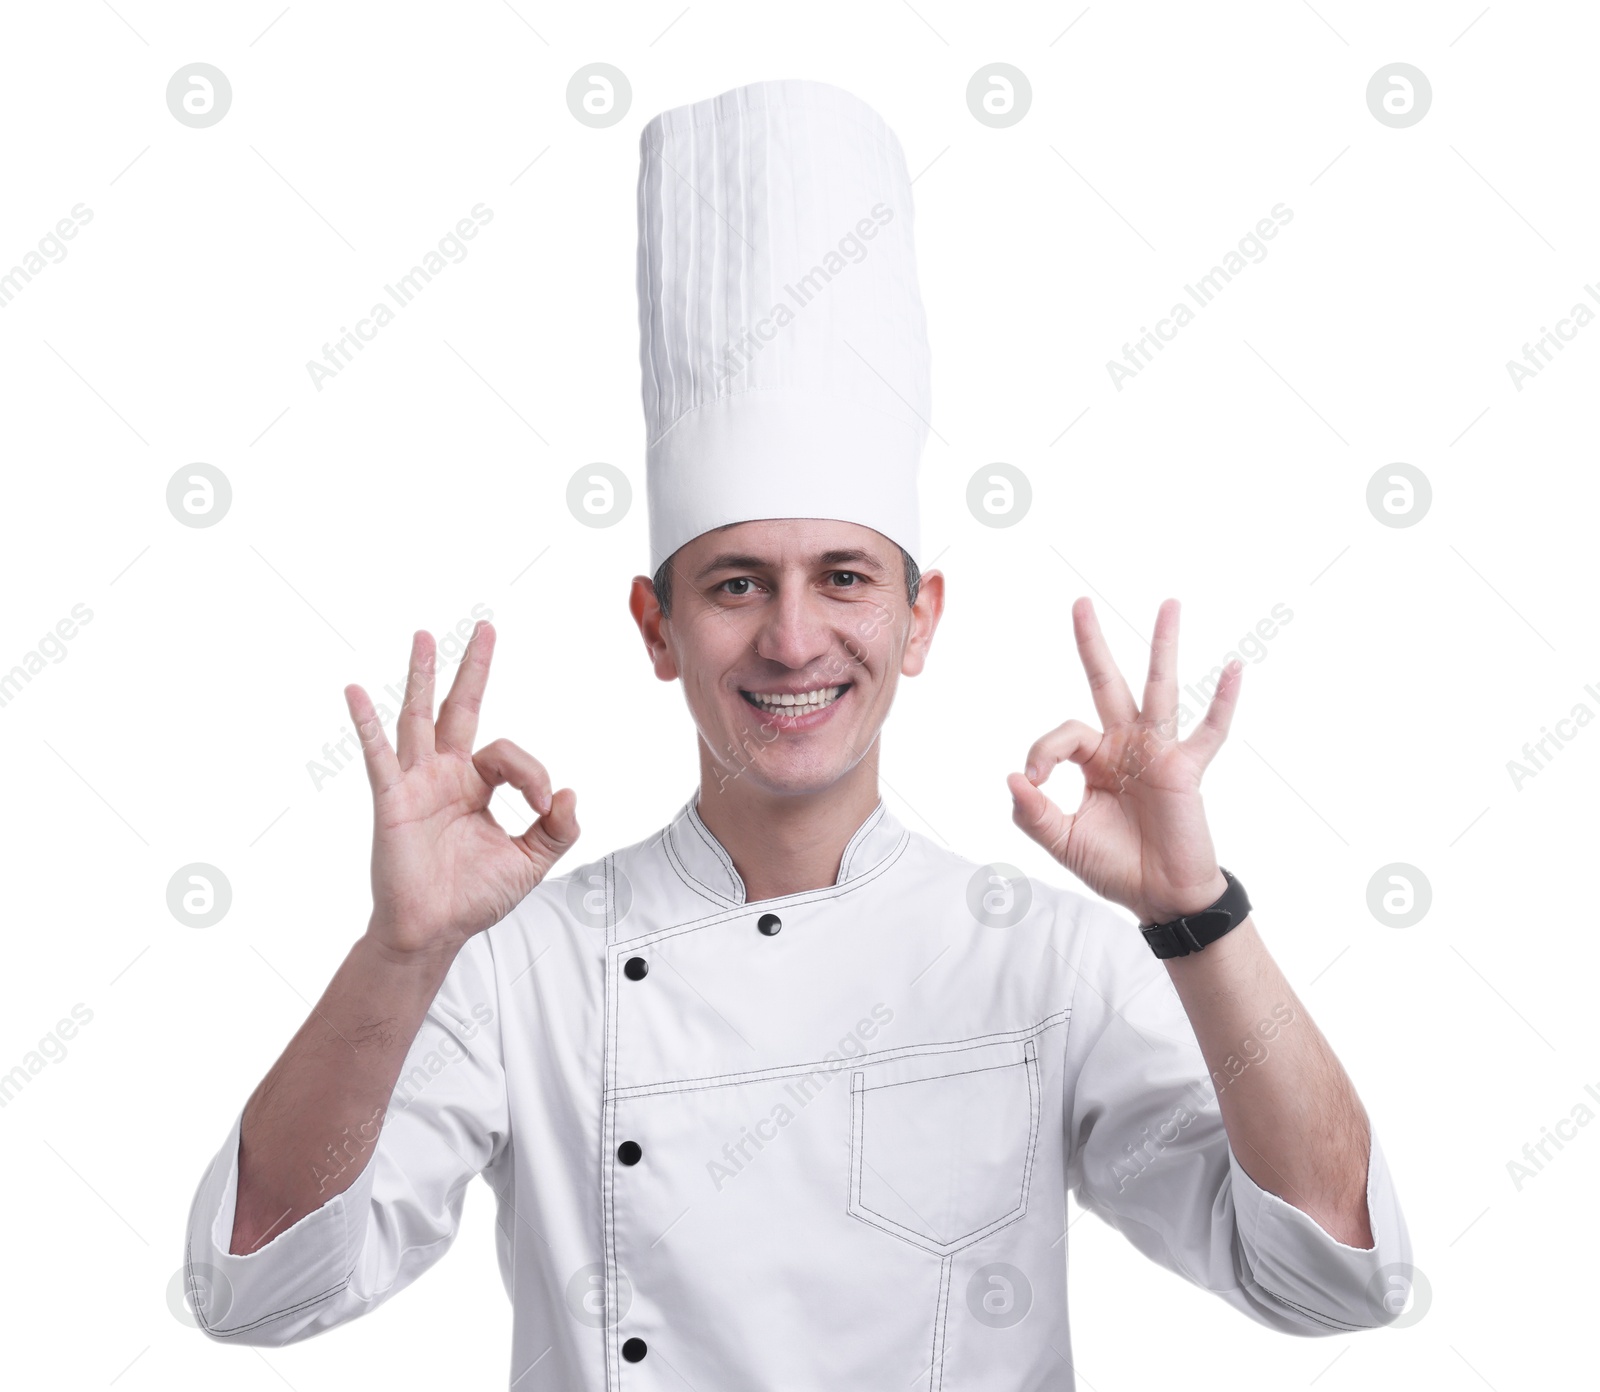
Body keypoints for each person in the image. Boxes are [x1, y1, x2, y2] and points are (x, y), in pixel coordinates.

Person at [183, 79, 1412, 1389]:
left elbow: (1333, 1271)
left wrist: (1195, 912)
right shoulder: (519, 970)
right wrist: (400, 950)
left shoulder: (1042, 961)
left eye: (843, 576)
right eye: (734, 584)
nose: (790, 638)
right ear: (656, 630)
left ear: (919, 617)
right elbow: (257, 1286)